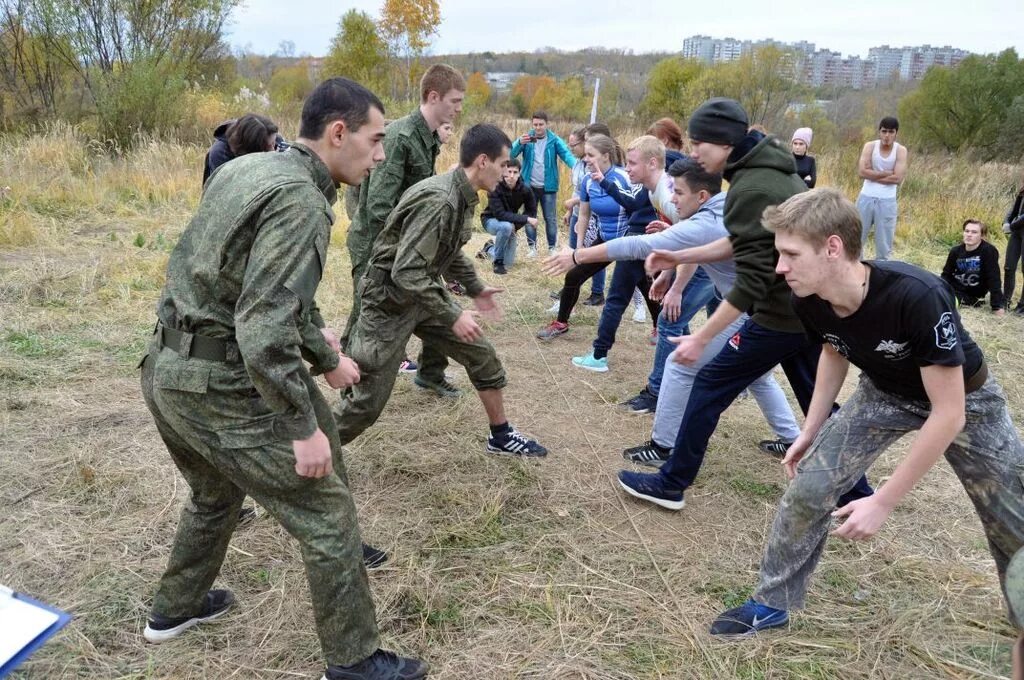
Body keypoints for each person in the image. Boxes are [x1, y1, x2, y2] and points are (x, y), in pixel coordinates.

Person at [139, 77, 430, 679]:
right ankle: (354, 663)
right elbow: (264, 325)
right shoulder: (301, 200)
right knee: (326, 513)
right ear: (338, 133)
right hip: (218, 385)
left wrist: (326, 358)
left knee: (215, 496)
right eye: (375, 140)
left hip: (166, 372)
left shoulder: (245, 170)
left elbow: (256, 288)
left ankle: (175, 610)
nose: (380, 155)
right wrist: (301, 426)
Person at [709, 188, 1024, 638]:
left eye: (790, 254)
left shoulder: (917, 295)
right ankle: (771, 603)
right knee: (809, 488)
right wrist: (811, 430)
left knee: (1011, 517)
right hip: (884, 392)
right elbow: (835, 351)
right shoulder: (808, 296)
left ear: (832, 248)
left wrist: (884, 500)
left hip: (967, 402)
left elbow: (949, 412)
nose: (781, 267)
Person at [615, 97, 873, 511]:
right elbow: (744, 241)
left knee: (708, 385)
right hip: (805, 306)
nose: (693, 152)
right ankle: (858, 493)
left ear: (726, 141)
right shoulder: (761, 173)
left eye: (700, 142)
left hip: (780, 313)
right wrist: (680, 257)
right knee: (816, 400)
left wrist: (702, 336)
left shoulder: (752, 187)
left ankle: (671, 483)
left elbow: (752, 279)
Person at [544, 158, 800, 464]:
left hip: (756, 313)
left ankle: (662, 447)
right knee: (759, 378)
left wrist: (577, 255)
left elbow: (638, 245)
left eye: (678, 192)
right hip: (768, 310)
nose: (673, 199)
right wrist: (670, 273)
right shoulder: (722, 206)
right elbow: (698, 246)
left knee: (680, 364)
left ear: (701, 196)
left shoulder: (706, 222)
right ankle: (793, 440)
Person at [333, 124, 547, 458]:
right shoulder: (441, 200)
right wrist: (453, 313)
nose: (507, 171)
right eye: (503, 163)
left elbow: (447, 251)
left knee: (482, 355)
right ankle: (300, 457)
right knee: (364, 405)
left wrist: (476, 288)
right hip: (389, 301)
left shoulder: (462, 195)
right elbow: (407, 270)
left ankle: (501, 435)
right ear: (482, 161)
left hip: (421, 295)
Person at [342, 64, 465, 396]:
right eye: (454, 100)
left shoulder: (426, 138)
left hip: (407, 243)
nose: (458, 107)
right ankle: (350, 386)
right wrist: (403, 250)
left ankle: (431, 373)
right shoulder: (402, 137)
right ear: (433, 96)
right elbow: (379, 206)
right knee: (367, 316)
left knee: (435, 300)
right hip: (376, 244)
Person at [536, 134, 632, 340]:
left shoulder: (623, 178)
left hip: (629, 240)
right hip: (605, 240)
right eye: (585, 154)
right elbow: (585, 214)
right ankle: (561, 323)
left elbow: (636, 208)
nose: (586, 159)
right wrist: (579, 250)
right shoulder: (588, 181)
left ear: (606, 156)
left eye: (591, 155)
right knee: (574, 276)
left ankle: (659, 328)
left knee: (644, 283)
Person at [510, 111, 577, 257]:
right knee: (529, 216)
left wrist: (577, 167)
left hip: (548, 187)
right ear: (532, 124)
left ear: (547, 124)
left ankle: (552, 247)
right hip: (529, 186)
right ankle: (532, 248)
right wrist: (518, 143)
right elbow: (510, 155)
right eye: (535, 125)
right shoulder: (527, 139)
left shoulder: (554, 140)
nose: (538, 127)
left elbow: (566, 155)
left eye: (541, 124)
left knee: (550, 218)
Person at [562, 126, 606, 306]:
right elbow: (577, 189)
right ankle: (570, 286)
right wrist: (569, 210)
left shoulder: (594, 166)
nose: (572, 148)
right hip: (579, 213)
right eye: (570, 145)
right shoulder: (578, 164)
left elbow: (593, 192)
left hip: (593, 215)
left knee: (595, 253)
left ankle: (597, 292)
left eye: (575, 145)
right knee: (574, 249)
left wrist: (574, 203)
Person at [856, 116, 908, 260]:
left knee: (884, 244)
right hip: (866, 197)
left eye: (891, 132)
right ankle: (856, 271)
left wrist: (872, 174)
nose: (887, 136)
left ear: (896, 133)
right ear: (879, 132)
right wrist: (885, 174)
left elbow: (897, 178)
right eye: (884, 131)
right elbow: (861, 172)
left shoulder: (900, 150)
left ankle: (882, 275)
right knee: (856, 238)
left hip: (887, 200)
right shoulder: (870, 146)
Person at [479, 158, 537, 274]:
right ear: (503, 172)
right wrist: (525, 219)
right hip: (490, 220)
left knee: (509, 263)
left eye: (515, 172)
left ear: (519, 173)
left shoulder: (525, 190)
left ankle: (488, 249)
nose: (511, 176)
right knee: (505, 226)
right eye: (509, 172)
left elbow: (531, 211)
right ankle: (498, 263)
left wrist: (516, 226)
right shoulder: (494, 187)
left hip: (510, 223)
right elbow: (499, 214)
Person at [940, 219, 1004, 314]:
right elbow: (946, 274)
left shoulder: (988, 251)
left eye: (974, 232)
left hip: (973, 297)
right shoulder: (955, 251)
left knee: (941, 303)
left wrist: (997, 306)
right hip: (953, 290)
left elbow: (993, 278)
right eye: (967, 231)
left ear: (982, 236)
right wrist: (939, 289)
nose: (969, 234)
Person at [202, 113, 281, 186]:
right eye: (267, 148)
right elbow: (224, 190)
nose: (273, 151)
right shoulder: (220, 153)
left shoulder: (270, 136)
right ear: (251, 149)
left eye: (273, 144)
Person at [1001, 176, 1024, 313]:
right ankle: (1005, 300)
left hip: (1018, 229)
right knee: (1009, 267)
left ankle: (1022, 305)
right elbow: (1014, 208)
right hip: (1017, 233)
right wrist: (1006, 222)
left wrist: (1012, 225)